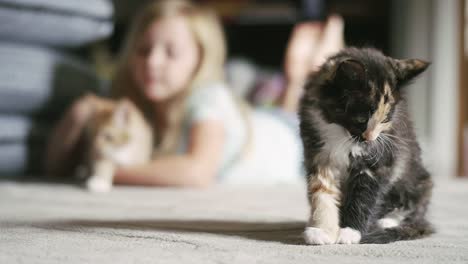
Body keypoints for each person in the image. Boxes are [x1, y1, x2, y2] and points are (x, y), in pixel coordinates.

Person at [45, 0, 343, 187]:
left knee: (301, 105)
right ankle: (296, 76)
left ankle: (314, 57)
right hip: (258, 122)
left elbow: (197, 173)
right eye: (143, 50)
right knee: (286, 100)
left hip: (292, 145)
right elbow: (54, 168)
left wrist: (110, 172)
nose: (152, 62)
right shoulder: (134, 104)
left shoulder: (207, 97)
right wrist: (82, 111)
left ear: (200, 59)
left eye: (171, 52)